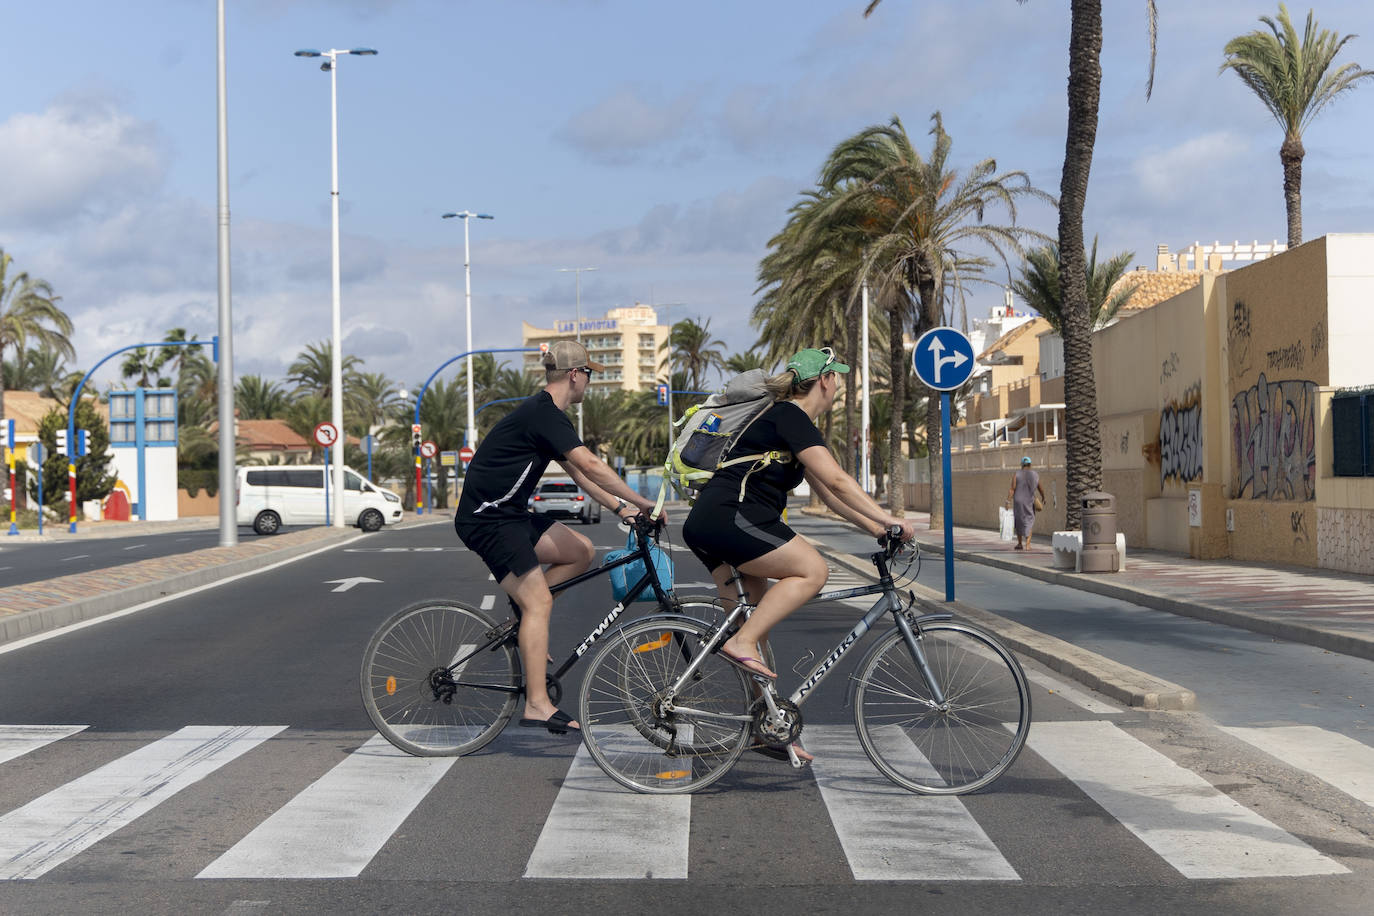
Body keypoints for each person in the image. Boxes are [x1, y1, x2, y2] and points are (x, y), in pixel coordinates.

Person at [682, 347, 917, 762]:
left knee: (754, 623)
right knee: (812, 570)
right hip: (731, 518)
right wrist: (890, 517)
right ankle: (743, 642)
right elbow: (839, 479)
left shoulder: (782, 420)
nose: (838, 387)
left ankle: (765, 728)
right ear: (825, 381)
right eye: (837, 379)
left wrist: (878, 528)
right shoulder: (790, 415)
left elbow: (828, 493)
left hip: (713, 522)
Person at [454, 340, 659, 736]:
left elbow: (581, 475)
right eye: (590, 375)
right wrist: (643, 501)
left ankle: (521, 616)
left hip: (508, 514)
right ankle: (536, 703)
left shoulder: (548, 417)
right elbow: (591, 463)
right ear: (574, 375)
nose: (590, 383)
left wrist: (622, 509)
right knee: (539, 601)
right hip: (488, 520)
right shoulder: (543, 414)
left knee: (580, 550)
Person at [1008, 455, 1046, 551]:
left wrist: (1007, 501)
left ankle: (1020, 543)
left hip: (1018, 501)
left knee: (1019, 521)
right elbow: (1040, 487)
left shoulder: (1016, 474)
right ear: (1030, 464)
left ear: (1022, 465)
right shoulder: (1035, 474)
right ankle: (1028, 545)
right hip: (1029, 501)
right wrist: (1043, 497)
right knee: (1029, 520)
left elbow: (1012, 489)